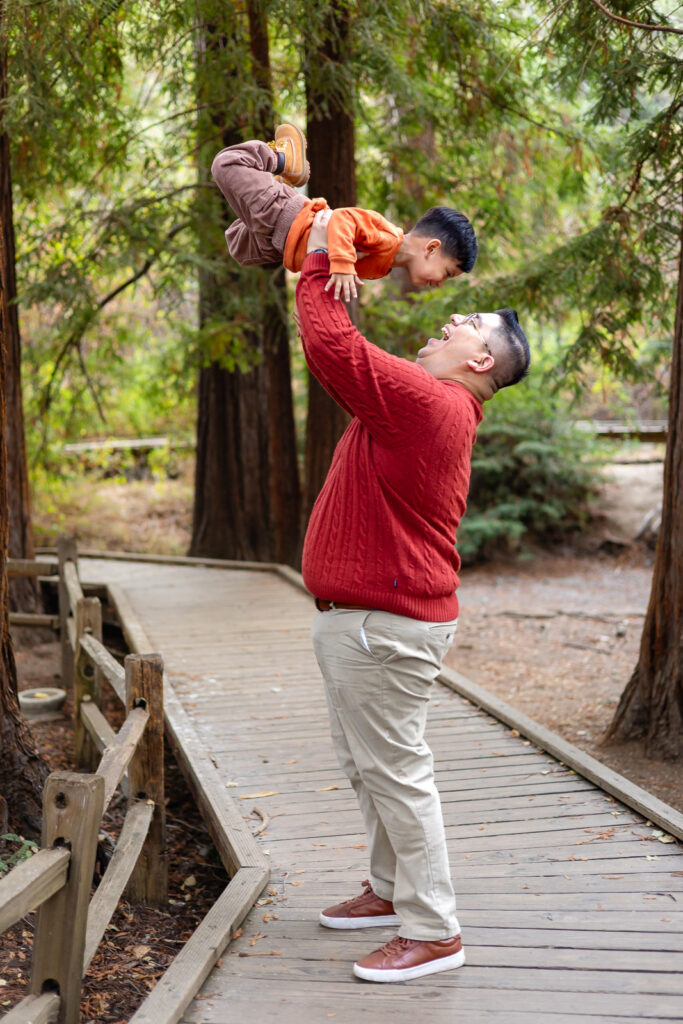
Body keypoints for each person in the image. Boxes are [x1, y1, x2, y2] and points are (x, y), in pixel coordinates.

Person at [294, 221, 530, 983]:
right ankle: (392, 892)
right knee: (370, 768)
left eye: (472, 323)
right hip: (369, 623)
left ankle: (433, 931)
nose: (454, 317)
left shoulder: (430, 403)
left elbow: (333, 346)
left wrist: (320, 251)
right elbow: (351, 354)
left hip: (382, 627)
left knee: (395, 772)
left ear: (481, 361)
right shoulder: (428, 401)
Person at [211, 123, 478, 301]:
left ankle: (277, 184)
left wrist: (306, 309)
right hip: (288, 217)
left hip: (283, 245)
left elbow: (328, 274)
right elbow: (343, 218)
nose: (441, 284)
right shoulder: (388, 237)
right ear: (431, 249)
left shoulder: (382, 267)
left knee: (239, 248)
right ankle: (285, 159)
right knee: (227, 163)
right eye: (447, 274)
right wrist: (342, 265)